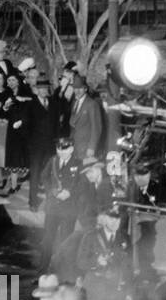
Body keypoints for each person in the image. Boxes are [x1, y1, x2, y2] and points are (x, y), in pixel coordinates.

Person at [39, 138, 80, 270]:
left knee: (66, 240)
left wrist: (70, 192)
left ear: (72, 149)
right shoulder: (53, 160)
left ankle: (62, 269)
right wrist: (52, 191)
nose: (61, 152)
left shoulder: (78, 163)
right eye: (59, 149)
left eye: (65, 149)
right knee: (47, 239)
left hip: (69, 209)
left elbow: (82, 183)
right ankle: (43, 267)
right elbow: (44, 176)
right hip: (53, 207)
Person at [23, 75, 59, 211]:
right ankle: (33, 202)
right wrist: (30, 144)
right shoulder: (30, 105)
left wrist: (56, 142)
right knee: (35, 173)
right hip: (36, 147)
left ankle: (51, 203)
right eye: (41, 88)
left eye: (46, 89)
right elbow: (25, 127)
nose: (44, 91)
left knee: (50, 174)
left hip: (50, 145)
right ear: (36, 89)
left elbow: (56, 125)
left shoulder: (53, 103)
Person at [68, 72, 105, 159]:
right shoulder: (74, 103)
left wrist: (92, 147)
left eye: (80, 88)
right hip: (75, 146)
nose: (77, 91)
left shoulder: (92, 104)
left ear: (85, 89)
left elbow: (96, 128)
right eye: (75, 88)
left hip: (86, 147)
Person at [75, 152, 114, 229]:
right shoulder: (91, 186)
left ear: (99, 168)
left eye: (91, 171)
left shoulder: (109, 184)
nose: (88, 175)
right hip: (94, 225)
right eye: (86, 173)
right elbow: (88, 209)